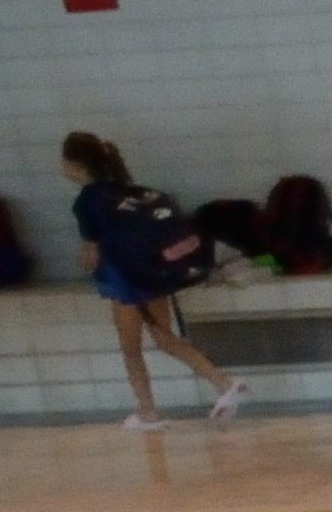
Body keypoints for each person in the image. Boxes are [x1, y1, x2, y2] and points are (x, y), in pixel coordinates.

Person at [61, 133, 239, 425]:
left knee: (132, 349)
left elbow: (91, 253)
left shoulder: (87, 201)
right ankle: (224, 383)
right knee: (164, 338)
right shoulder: (132, 192)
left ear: (76, 166)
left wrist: (85, 265)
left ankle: (148, 411)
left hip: (125, 283)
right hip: (155, 276)